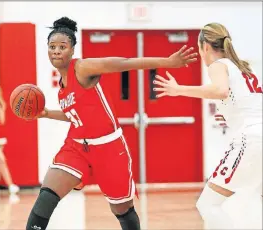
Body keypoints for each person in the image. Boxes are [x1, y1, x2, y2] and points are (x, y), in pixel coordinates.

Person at [25, 17, 197, 230]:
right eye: (52, 47)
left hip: (109, 148)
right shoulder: (62, 84)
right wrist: (46, 113)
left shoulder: (83, 68)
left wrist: (167, 62)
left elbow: (123, 63)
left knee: (122, 210)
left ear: (72, 50)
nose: (57, 51)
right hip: (76, 146)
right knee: (46, 198)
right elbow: (77, 116)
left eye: (62, 46)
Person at [153, 22, 262, 229]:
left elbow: (221, 90)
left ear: (204, 47)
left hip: (252, 139)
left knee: (207, 204)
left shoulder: (218, 64)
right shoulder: (244, 67)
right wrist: (231, 115)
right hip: (258, 132)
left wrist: (179, 90)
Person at [0, 81, 20, 195]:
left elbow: (2, 121)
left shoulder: (0, 104)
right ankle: (10, 185)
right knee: (2, 160)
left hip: (0, 137)